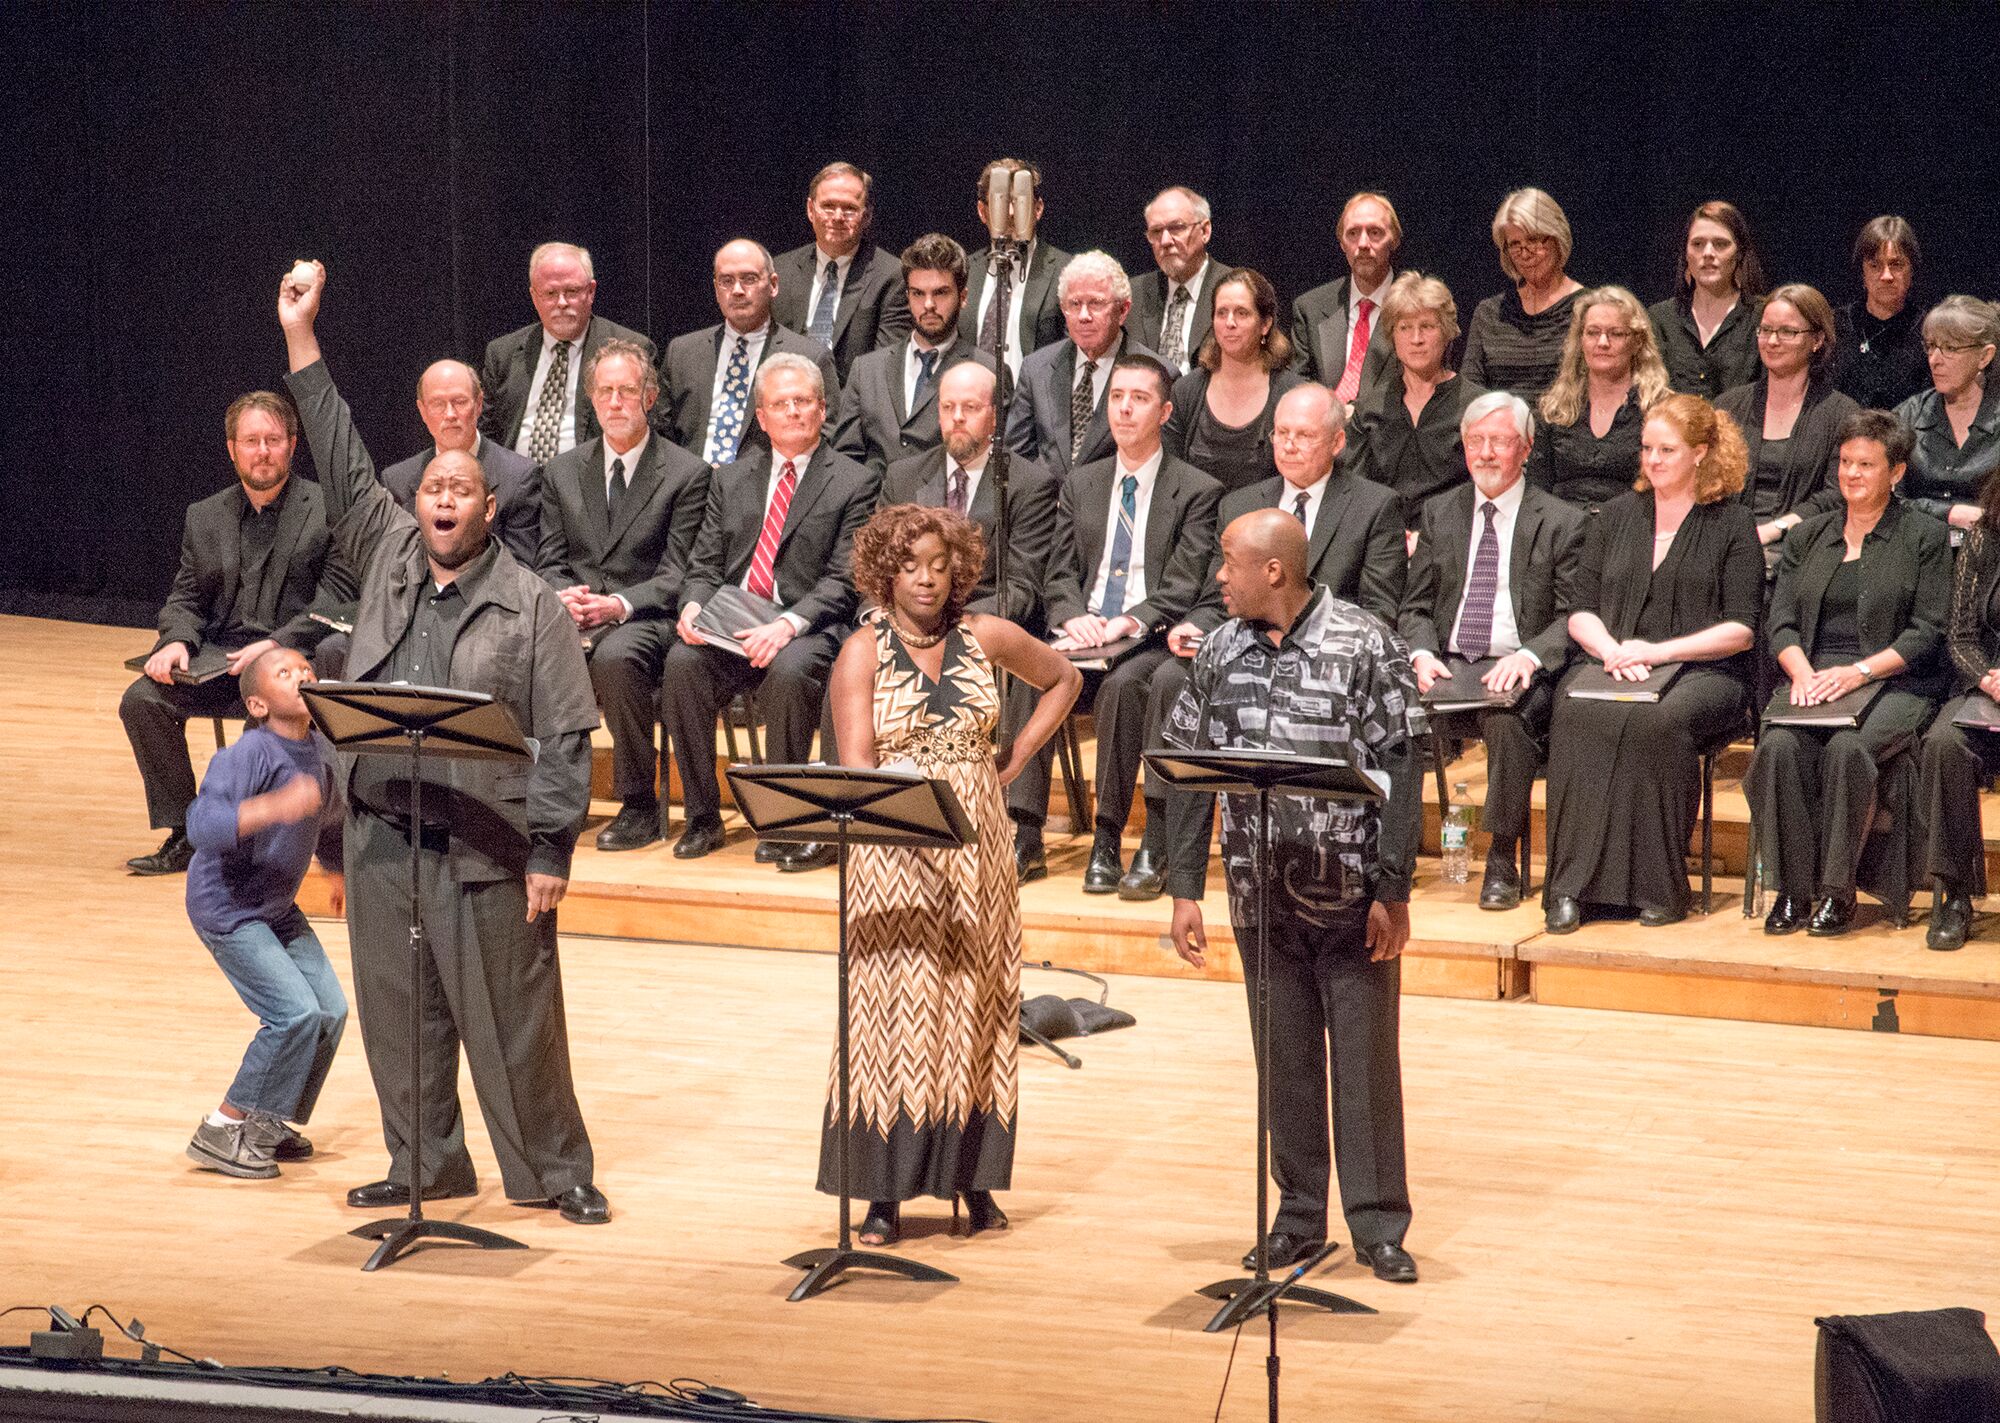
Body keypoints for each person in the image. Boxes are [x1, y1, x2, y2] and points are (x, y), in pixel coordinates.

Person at [280, 261, 610, 1225]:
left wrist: (552, 848)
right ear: (414, 502)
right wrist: (301, 337)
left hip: (488, 840)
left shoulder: (532, 603)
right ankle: (423, 1163)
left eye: (462, 488)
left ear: (489, 507)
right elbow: (339, 452)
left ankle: (555, 1170)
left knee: (517, 1020)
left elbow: (565, 731)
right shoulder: (384, 554)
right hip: (387, 832)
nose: (444, 497)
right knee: (398, 1008)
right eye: (432, 487)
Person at [1161, 508, 1422, 1286]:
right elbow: (1187, 764)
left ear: (1273, 569)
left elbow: (1403, 765)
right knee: (1286, 1065)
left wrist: (1393, 886)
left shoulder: (1364, 641)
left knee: (1366, 1067)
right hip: (1257, 892)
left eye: (1229, 562)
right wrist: (1183, 887)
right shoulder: (1218, 648)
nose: (1218, 575)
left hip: (1348, 894)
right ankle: (1299, 1218)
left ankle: (1378, 1224)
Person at [822, 504, 1080, 1247]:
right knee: (892, 1014)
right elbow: (858, 771)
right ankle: (882, 1195)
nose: (927, 578)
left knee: (978, 1003)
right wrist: (896, 840)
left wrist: (1020, 756)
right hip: (894, 852)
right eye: (910, 566)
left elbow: (1062, 678)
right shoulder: (860, 653)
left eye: (938, 563)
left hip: (980, 850)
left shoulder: (986, 636)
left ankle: (974, 1178)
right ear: (885, 574)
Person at [1130, 384, 1404, 901]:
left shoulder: (1375, 504)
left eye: (1304, 435)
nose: (1290, 445)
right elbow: (1219, 590)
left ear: (1338, 443)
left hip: (1331, 664)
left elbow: (1379, 607)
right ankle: (1158, 843)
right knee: (1169, 678)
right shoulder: (1241, 501)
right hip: (1244, 649)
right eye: (1281, 434)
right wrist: (1199, 625)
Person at [1543, 395, 1761, 933]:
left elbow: (1741, 628)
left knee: (1655, 722)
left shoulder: (1731, 523)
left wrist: (1658, 652)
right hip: (1617, 660)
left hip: (1701, 670)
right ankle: (1571, 887)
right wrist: (1610, 649)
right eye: (1647, 448)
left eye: (1668, 449)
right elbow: (1580, 611)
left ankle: (1656, 887)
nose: (1653, 460)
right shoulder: (1616, 515)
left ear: (1701, 453)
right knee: (1573, 710)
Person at [1009, 354, 1220, 890]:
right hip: (1082, 633)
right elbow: (1058, 573)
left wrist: (1131, 619)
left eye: (1139, 398)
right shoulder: (1082, 482)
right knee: (1027, 671)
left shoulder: (1196, 489)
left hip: (1145, 636)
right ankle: (1024, 833)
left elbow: (1183, 582)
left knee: (1126, 685)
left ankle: (1110, 838)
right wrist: (1071, 614)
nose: (1124, 408)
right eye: (1117, 397)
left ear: (1165, 411)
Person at [120, 391, 349, 875]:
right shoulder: (204, 515)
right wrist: (176, 640)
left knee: (272, 702)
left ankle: (255, 840)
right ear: (232, 449)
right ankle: (188, 831)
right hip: (220, 662)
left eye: (272, 440)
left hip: (285, 657)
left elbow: (337, 600)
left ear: (292, 443)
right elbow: (184, 598)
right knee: (142, 699)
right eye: (251, 441)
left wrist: (278, 644)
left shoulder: (326, 509)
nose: (262, 451)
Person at [664, 354, 879, 862]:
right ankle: (702, 816)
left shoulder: (855, 480)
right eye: (780, 404)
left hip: (808, 625)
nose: (793, 412)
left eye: (803, 401)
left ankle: (785, 819)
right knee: (681, 665)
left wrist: (786, 624)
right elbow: (703, 565)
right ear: (761, 417)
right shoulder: (730, 478)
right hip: (734, 623)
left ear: (823, 409)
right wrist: (693, 607)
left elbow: (845, 578)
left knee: (790, 669)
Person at [1747, 411, 1949, 937]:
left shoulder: (1922, 537)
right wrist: (1802, 673)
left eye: (1866, 464)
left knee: (1846, 750)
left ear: (1897, 473)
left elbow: (1927, 630)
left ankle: (1836, 893)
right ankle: (1792, 891)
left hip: (1894, 679)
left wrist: (1857, 672)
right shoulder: (1807, 537)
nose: (1852, 474)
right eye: (1844, 463)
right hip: (1813, 677)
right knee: (1779, 748)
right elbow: (1781, 623)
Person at [1403, 392, 1587, 911]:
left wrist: (1529, 656)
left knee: (1508, 718)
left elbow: (1572, 616)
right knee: (1385, 707)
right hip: (1449, 664)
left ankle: (1502, 857)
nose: (1485, 453)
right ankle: (1390, 859)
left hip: (1520, 664)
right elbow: (1413, 606)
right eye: (1475, 441)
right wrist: (1420, 653)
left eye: (1500, 442)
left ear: (1526, 448)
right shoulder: (1440, 513)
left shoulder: (1561, 521)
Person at [535, 339, 712, 852]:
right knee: (514, 641)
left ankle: (635, 804)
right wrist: (562, 596)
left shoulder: (685, 473)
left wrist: (618, 605)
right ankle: (538, 802)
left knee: (616, 656)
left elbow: (680, 571)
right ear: (590, 399)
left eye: (627, 391)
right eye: (605, 391)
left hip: (647, 616)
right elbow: (549, 559)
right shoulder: (563, 470)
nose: (615, 402)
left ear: (649, 397)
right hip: (576, 613)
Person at [182, 647, 347, 1181]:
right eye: (284, 673)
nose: (301, 675)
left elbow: (331, 819)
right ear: (257, 704)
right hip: (228, 907)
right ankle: (221, 1126)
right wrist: (272, 808)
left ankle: (266, 1122)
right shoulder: (247, 755)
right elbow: (202, 827)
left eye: (305, 669)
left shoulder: (323, 751)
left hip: (275, 905)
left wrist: (335, 867)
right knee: (293, 1013)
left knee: (330, 1010)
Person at [660, 239, 842, 465]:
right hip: (692, 490)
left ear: (773, 285)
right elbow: (661, 436)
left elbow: (828, 437)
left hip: (769, 491)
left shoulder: (809, 357)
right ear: (716, 288)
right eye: (726, 281)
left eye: (749, 279)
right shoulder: (683, 352)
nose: (737, 290)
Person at [1918, 465, 2000, 951]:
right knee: (1944, 744)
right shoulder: (1984, 539)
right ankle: (1956, 892)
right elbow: (1962, 633)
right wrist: (1988, 679)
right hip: (1989, 681)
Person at [1717, 284, 1862, 558]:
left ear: (1817, 340)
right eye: (1766, 330)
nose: (1772, 341)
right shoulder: (1728, 407)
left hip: (1805, 551)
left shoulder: (1842, 414)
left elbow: (1837, 495)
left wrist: (1774, 529)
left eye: (1788, 332)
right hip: (1728, 548)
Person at [831, 233, 995, 475]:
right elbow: (846, 458)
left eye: (940, 293)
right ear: (907, 296)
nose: (928, 304)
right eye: (918, 293)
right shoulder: (866, 370)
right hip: (875, 508)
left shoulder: (986, 370)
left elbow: (991, 461)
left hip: (947, 508)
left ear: (963, 297)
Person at [479, 241, 658, 460]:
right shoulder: (503, 353)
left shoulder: (629, 350)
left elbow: (646, 433)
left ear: (591, 291)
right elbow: (486, 435)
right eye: (551, 293)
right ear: (535, 297)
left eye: (571, 291)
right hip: (516, 486)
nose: (562, 303)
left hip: (588, 484)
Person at [1346, 271, 1485, 530]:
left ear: (1446, 333)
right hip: (1384, 538)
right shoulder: (1368, 410)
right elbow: (1357, 493)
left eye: (1427, 327)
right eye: (1405, 328)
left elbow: (1485, 491)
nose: (1416, 339)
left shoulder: (1477, 407)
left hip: (1455, 537)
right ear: (1392, 336)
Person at [1005, 250, 1160, 477]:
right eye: (1075, 304)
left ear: (1123, 310)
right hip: (1044, 507)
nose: (1083, 315)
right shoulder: (1035, 368)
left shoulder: (1155, 373)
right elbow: (1017, 456)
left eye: (1096, 303)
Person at [1528, 285, 1673, 513]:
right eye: (1593, 332)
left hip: (1630, 531)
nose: (1602, 342)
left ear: (1636, 342)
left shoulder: (1660, 409)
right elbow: (1537, 491)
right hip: (1562, 534)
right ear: (1581, 340)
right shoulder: (1554, 409)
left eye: (1616, 333)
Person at [1160, 267, 1305, 493]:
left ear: (1265, 324)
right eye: (1221, 313)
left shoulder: (1293, 394)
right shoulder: (1186, 390)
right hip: (1196, 524)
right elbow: (1170, 478)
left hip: (1266, 524)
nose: (1230, 323)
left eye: (1242, 313)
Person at [769, 161, 912, 383]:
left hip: (852, 411)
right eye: (828, 206)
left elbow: (882, 372)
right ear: (810, 209)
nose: (837, 217)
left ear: (867, 216)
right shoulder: (779, 271)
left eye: (849, 208)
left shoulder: (892, 277)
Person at [1461, 187, 1585, 407]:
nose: (1525, 254)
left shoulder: (1589, 310)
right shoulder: (1490, 313)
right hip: (1502, 437)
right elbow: (1472, 394)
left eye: (1534, 240)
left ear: (1557, 238)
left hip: (1567, 437)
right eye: (1515, 245)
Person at [1893, 296, 2000, 528]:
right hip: (1917, 548)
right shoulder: (1907, 416)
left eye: (1950, 348)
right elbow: (1884, 498)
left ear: (1984, 356)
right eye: (1931, 346)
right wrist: (1949, 513)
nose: (1934, 360)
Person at [961, 158, 1073, 378]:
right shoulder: (965, 271)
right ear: (982, 212)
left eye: (1019, 201)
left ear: (1038, 208)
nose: (1011, 212)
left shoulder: (1066, 271)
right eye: (1001, 201)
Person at [1290, 191, 1400, 409]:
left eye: (1375, 232)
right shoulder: (1310, 308)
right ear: (1341, 244)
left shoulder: (1415, 307)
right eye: (1353, 234)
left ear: (1394, 240)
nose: (1363, 243)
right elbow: (1298, 387)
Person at [1648, 200, 1766, 400]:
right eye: (1697, 244)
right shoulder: (1660, 319)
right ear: (1686, 254)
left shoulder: (1761, 317)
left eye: (1720, 244)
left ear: (1738, 253)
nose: (1708, 253)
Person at [1127, 186, 1229, 375]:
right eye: (1156, 231)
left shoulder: (1234, 289)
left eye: (1177, 228)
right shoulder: (1134, 293)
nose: (1165, 241)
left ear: (1205, 231)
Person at [1833, 215, 1930, 413]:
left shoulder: (1929, 331)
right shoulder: (1835, 325)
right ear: (1862, 271)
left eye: (1897, 265)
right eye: (1875, 265)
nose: (1886, 276)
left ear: (1912, 270)